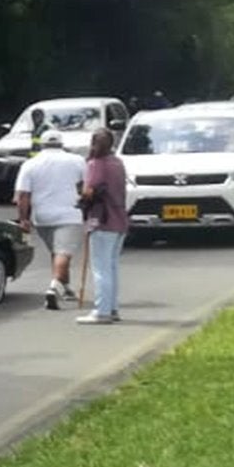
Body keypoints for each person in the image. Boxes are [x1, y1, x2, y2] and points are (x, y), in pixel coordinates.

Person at [15, 130, 86, 310]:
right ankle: (53, 288)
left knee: (57, 252)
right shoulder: (77, 160)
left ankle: (67, 288)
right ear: (62, 144)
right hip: (70, 214)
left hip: (42, 217)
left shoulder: (30, 164)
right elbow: (85, 187)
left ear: (41, 145)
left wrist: (23, 219)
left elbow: (22, 195)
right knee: (63, 253)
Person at [78, 128, 128, 324]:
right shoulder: (117, 162)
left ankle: (102, 311)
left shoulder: (96, 164)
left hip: (101, 218)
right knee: (112, 266)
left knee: (100, 268)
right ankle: (112, 307)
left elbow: (89, 191)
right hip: (120, 217)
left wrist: (81, 192)